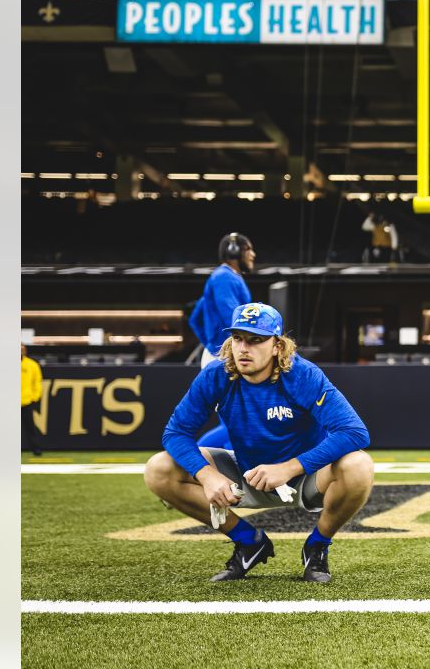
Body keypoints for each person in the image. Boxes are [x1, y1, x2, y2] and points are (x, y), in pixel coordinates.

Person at [144, 303, 374, 583]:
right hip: (247, 472)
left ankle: (317, 545)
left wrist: (290, 468)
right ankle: (249, 541)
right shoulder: (217, 374)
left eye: (256, 340)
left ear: (277, 346)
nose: (243, 348)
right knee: (159, 468)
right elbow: (175, 432)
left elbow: (354, 432)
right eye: (238, 338)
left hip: (306, 477)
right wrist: (206, 476)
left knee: (359, 465)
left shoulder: (303, 375)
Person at [189, 233, 255, 449]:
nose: (253, 254)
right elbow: (234, 318)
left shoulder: (220, 277)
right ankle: (191, 464)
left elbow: (195, 318)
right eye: (248, 249)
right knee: (238, 423)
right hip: (227, 356)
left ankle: (224, 471)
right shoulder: (225, 278)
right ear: (235, 251)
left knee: (237, 422)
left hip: (222, 353)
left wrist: (211, 344)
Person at [21, 344, 43, 457]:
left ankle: (36, 449)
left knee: (30, 427)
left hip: (26, 401)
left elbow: (37, 382)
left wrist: (35, 397)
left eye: (22, 349)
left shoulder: (32, 365)